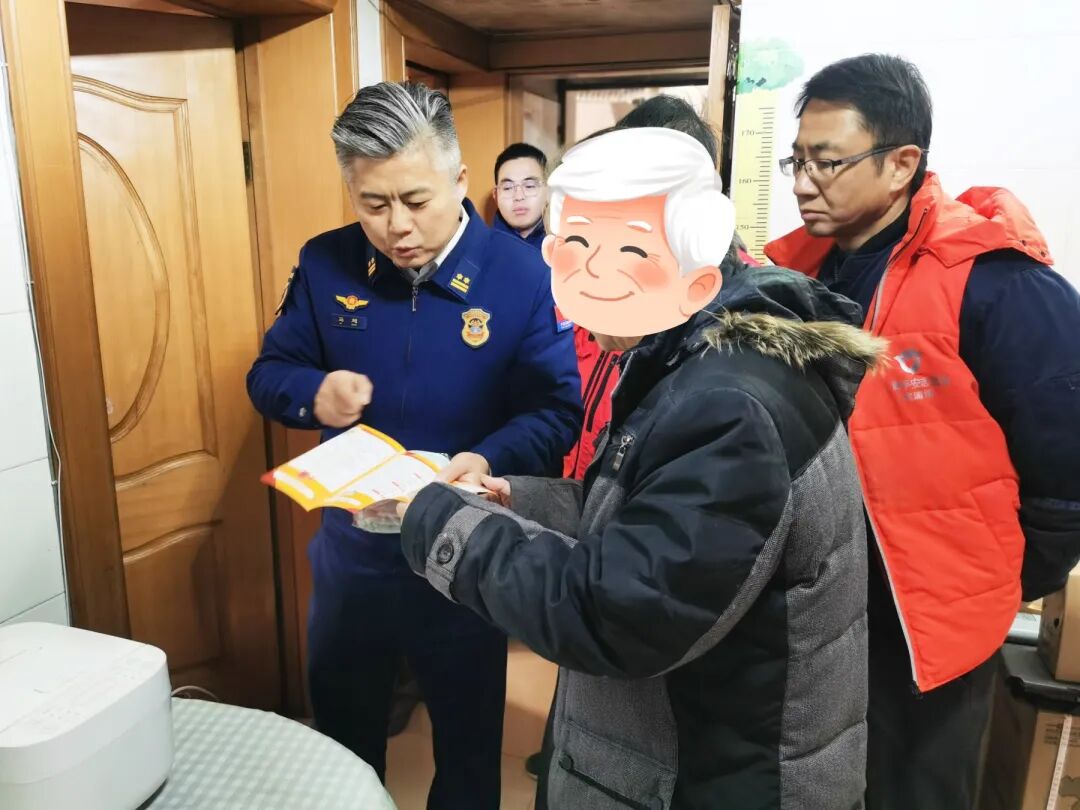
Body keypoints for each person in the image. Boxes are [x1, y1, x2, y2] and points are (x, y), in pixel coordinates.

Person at [398, 125, 881, 809]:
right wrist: (514, 499)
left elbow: (616, 614)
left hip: (715, 777)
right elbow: (639, 514)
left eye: (620, 257)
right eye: (571, 255)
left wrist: (440, 524)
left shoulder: (731, 405)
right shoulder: (691, 353)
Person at [246, 81, 582, 810]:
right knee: (341, 740)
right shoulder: (326, 262)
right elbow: (269, 374)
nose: (397, 226)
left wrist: (487, 457)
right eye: (373, 204)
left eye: (416, 200)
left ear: (459, 180)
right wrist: (314, 393)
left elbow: (557, 409)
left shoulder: (522, 275)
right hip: (354, 549)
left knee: (468, 744)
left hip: (465, 546)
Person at [765, 53, 1080, 810]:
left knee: (913, 791)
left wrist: (988, 584)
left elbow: (1066, 471)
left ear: (902, 163)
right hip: (818, 609)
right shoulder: (796, 282)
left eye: (827, 162)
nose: (804, 182)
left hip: (927, 624)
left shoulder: (998, 283)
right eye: (797, 161)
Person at [491, 142, 548, 248]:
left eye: (529, 186)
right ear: (496, 196)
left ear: (549, 191)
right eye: (508, 188)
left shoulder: (566, 244)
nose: (518, 197)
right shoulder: (482, 248)